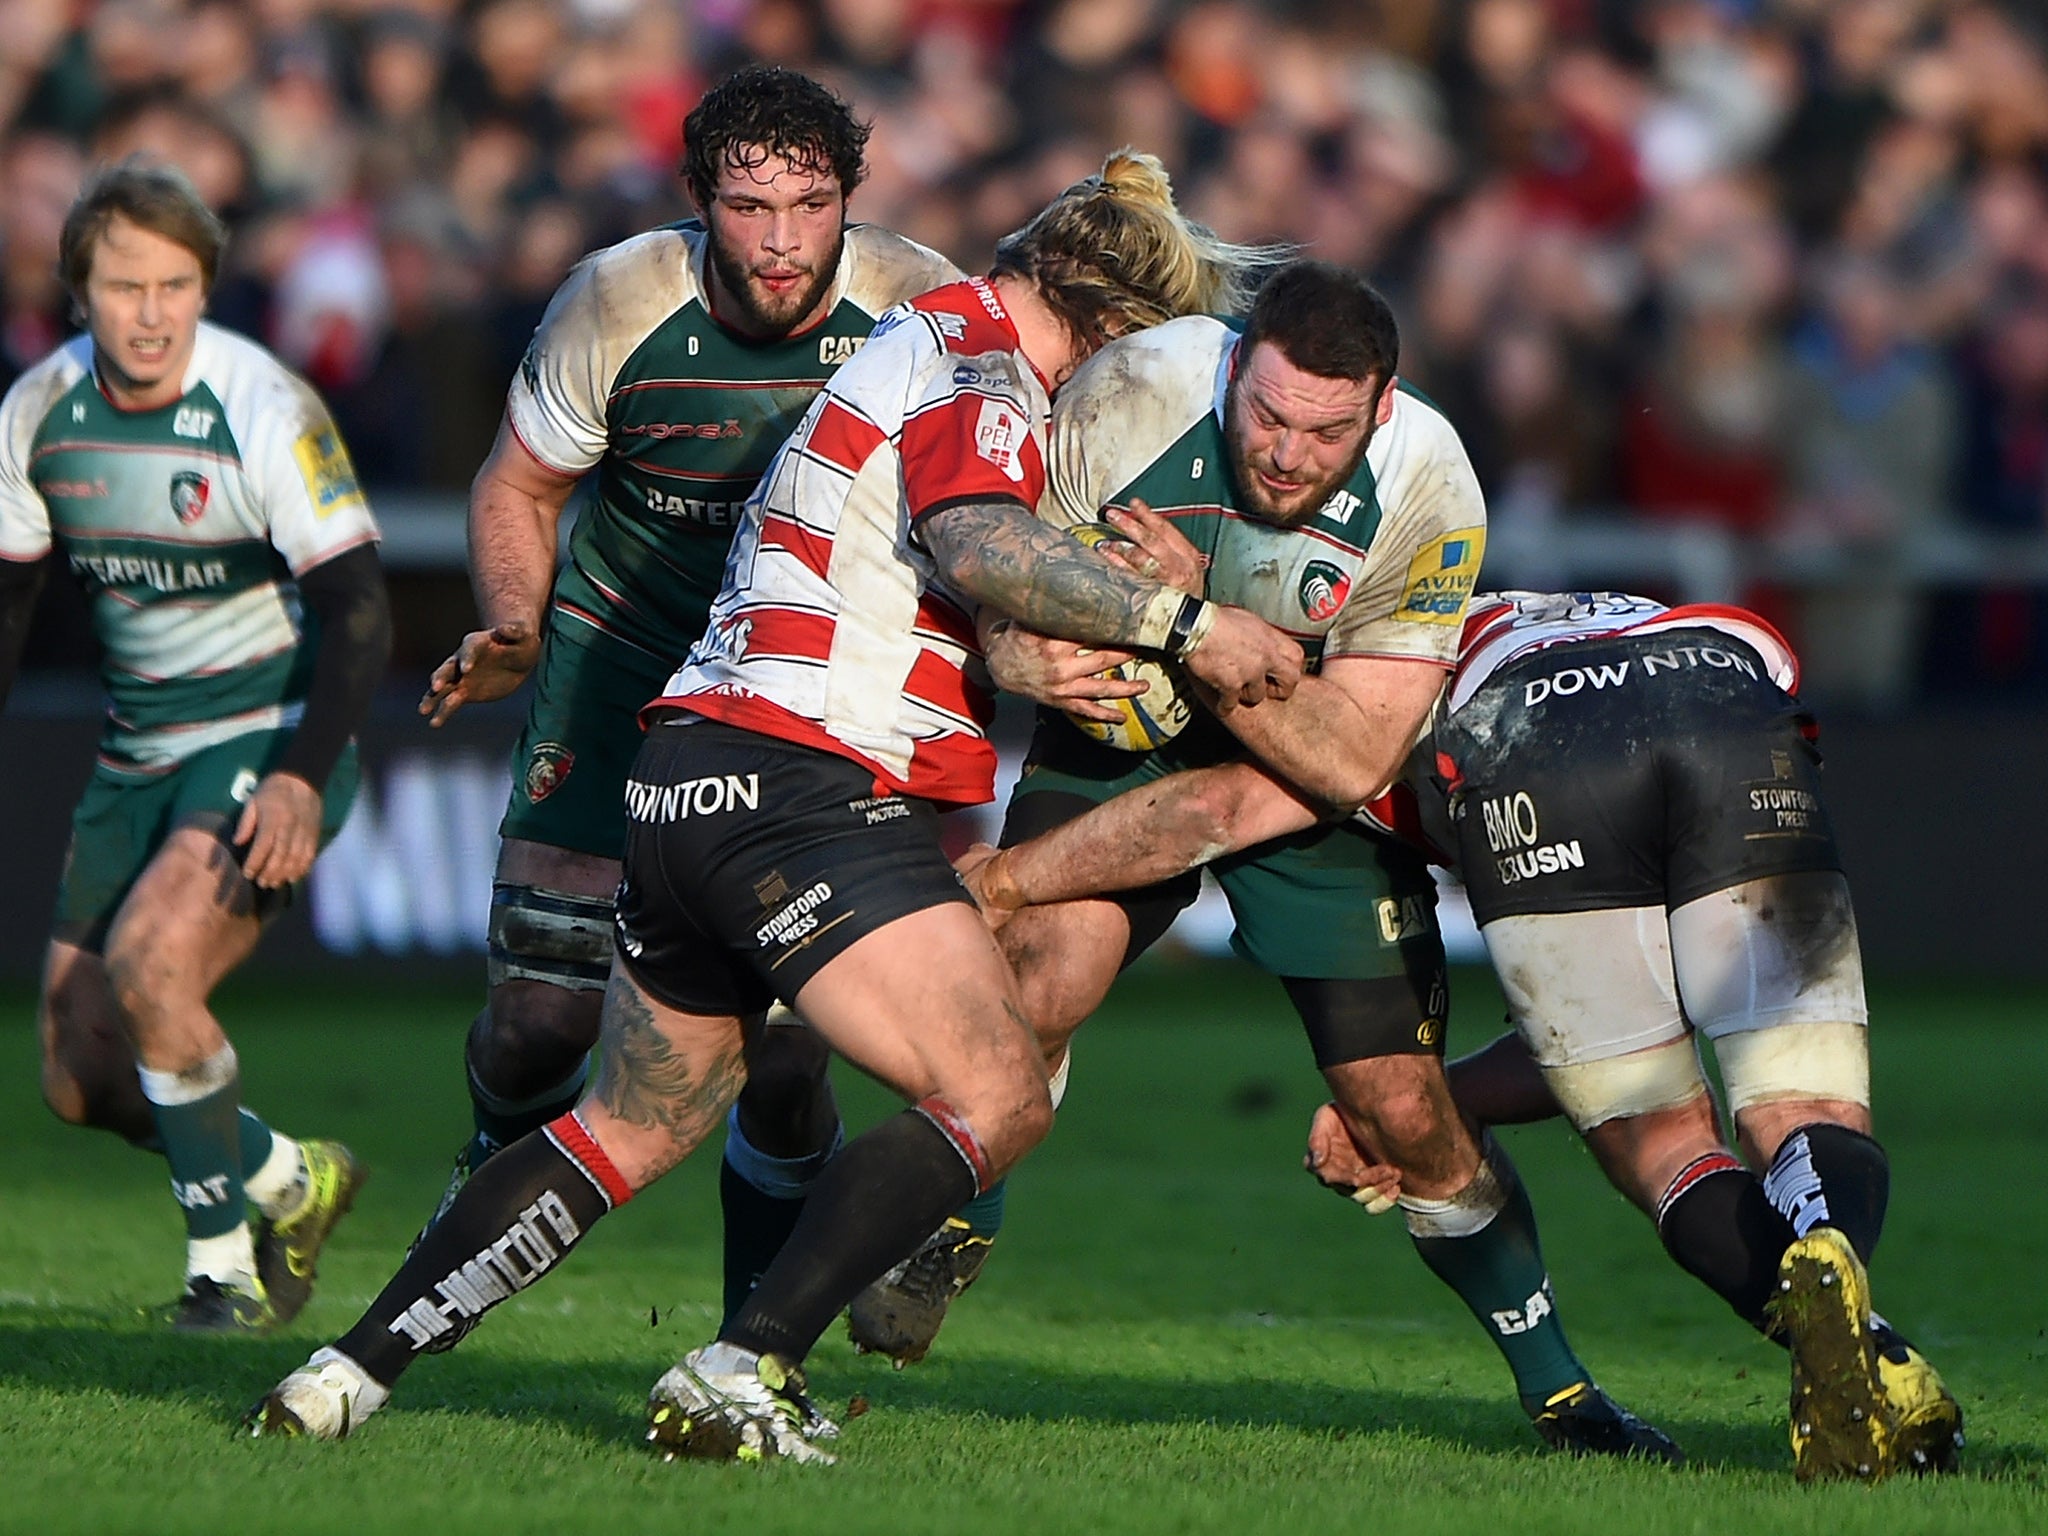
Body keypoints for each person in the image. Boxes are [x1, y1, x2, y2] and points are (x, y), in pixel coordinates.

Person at [248, 148, 1303, 1461]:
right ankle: (748, 1362)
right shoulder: (981, 365)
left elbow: (967, 595)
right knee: (997, 1090)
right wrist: (1181, 623)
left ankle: (345, 1374)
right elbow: (982, 543)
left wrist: (1066, 652)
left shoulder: (912, 349)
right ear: (1107, 326)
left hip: (691, 776)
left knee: (624, 1126)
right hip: (805, 784)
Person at [850, 262, 1676, 1462]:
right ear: (1234, 369)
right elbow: (999, 554)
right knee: (1029, 990)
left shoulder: (1431, 490)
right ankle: (958, 1226)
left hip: (1305, 782)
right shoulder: (1126, 393)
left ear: (1378, 412)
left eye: (1325, 431)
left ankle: (1558, 1393)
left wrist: (1196, 636)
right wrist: (1012, 649)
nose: (1287, 454)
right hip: (1119, 738)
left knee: (1400, 1116)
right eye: (1268, 418)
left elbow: (1344, 763)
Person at [968, 588, 1964, 1483]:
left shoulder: (1365, 684)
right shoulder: (1528, 603)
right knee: (1797, 1098)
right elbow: (1593, 1039)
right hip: (1723, 678)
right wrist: (1437, 1099)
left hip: (1529, 736)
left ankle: (1859, 1347)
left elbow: (1209, 808)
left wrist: (1007, 879)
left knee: (1656, 1135)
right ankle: (1840, 1276)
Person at [404, 66, 960, 1326]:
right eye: (748, 206)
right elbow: (518, 487)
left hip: (803, 698)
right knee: (536, 1028)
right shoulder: (615, 299)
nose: (779, 240)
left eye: (809, 205)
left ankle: (754, 1341)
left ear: (848, 203)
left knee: (786, 1053)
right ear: (697, 201)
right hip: (613, 677)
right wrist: (508, 621)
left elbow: (967, 513)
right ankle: (480, 1203)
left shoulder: (920, 305)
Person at [0, 160, 388, 1331]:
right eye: (125, 286)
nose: (153, 311)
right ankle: (289, 1178)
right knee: (78, 1073)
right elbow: (9, 613)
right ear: (80, 292)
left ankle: (218, 1273)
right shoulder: (36, 413)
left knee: (156, 966)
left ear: (205, 287)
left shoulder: (262, 405)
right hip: (138, 753)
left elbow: (360, 612)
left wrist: (298, 775)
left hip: (265, 732)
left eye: (176, 284)